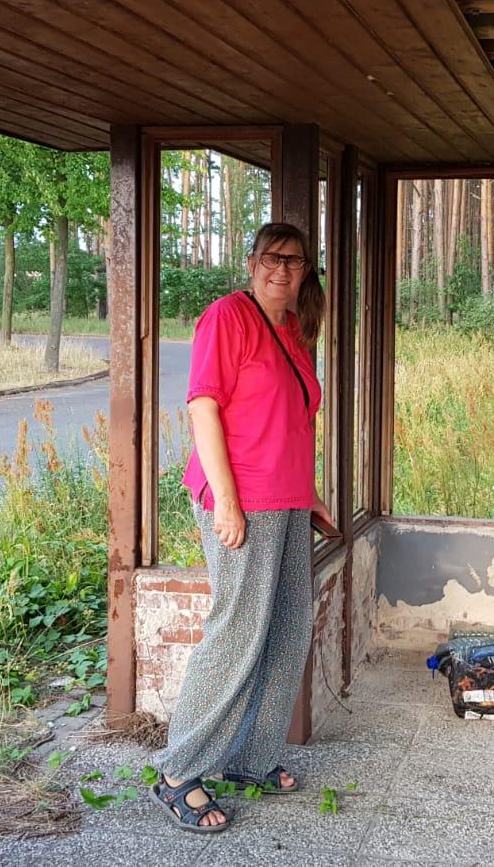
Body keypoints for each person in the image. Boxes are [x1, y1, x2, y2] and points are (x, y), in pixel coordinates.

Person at [149, 222, 334, 833]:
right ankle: (178, 771)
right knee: (236, 632)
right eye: (272, 259)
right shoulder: (226, 317)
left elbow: (288, 421)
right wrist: (225, 502)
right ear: (251, 262)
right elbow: (204, 406)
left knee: (284, 630)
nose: (282, 270)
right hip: (242, 501)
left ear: (306, 270)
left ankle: (247, 759)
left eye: (295, 261)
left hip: (283, 501)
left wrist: (309, 496)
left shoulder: (293, 330)